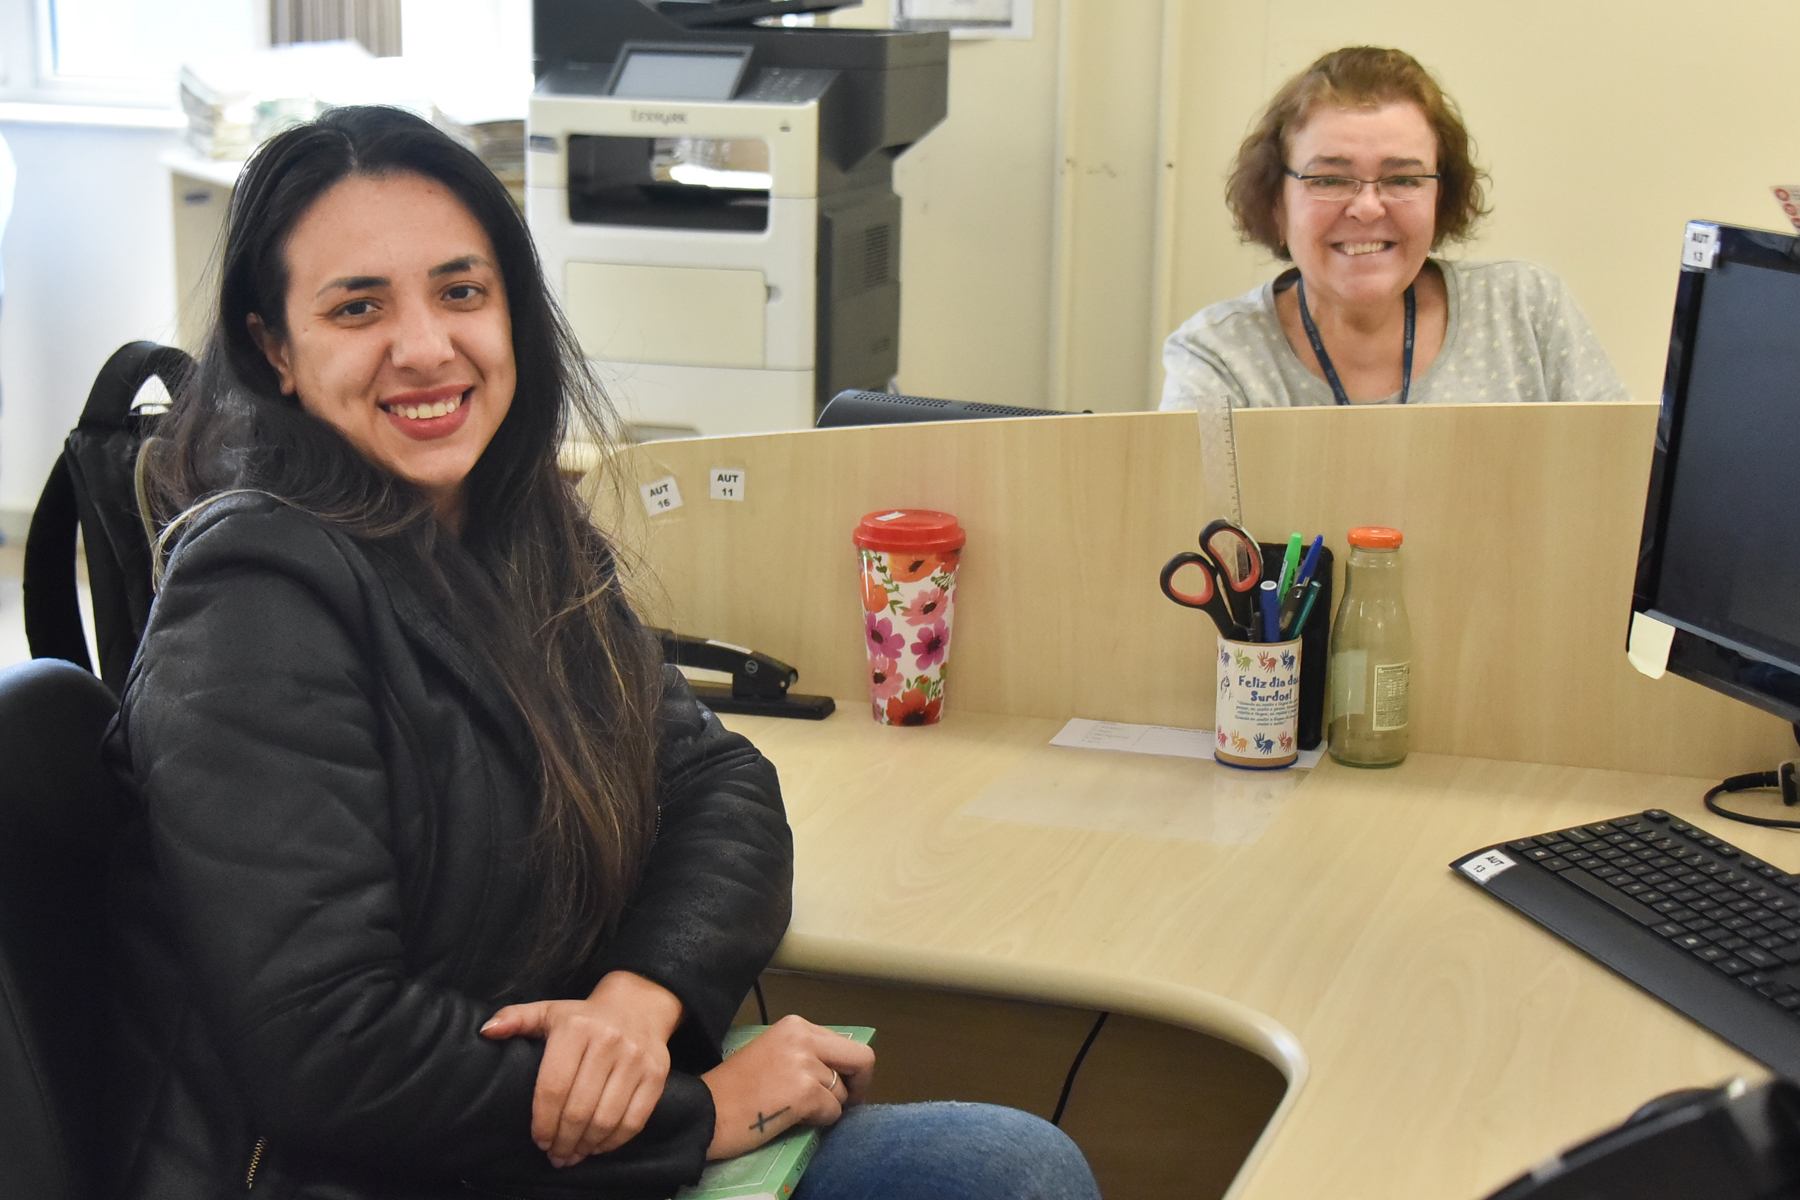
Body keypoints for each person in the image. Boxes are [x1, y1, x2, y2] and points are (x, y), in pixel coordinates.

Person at [104, 106, 1099, 1200]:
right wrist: (698, 1112)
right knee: (1008, 1175)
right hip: (397, 1172)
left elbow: (719, 783)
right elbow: (328, 1051)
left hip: (561, 1143)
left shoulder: (516, 537)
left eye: (461, 292)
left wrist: (641, 997)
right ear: (274, 351)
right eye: (358, 308)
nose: (428, 346)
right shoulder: (253, 602)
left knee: (1007, 1169)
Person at [1160, 46, 1629, 411]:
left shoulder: (1527, 312)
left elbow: (1628, 501)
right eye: (1329, 179)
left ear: (1440, 197)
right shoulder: (1218, 357)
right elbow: (1188, 528)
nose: (1366, 207)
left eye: (1403, 178)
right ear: (1275, 203)